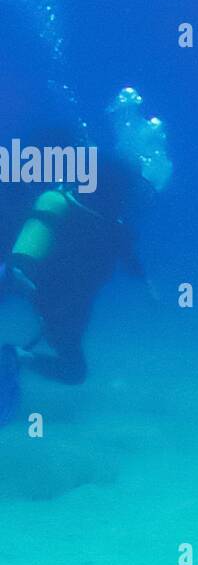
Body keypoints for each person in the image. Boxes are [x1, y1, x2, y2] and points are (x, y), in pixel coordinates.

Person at [0, 92, 168, 387]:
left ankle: (17, 357)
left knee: (74, 370)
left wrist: (145, 281)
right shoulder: (72, 208)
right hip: (51, 290)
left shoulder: (106, 222)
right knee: (73, 370)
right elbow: (39, 228)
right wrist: (18, 269)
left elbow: (127, 253)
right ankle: (18, 357)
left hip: (57, 294)